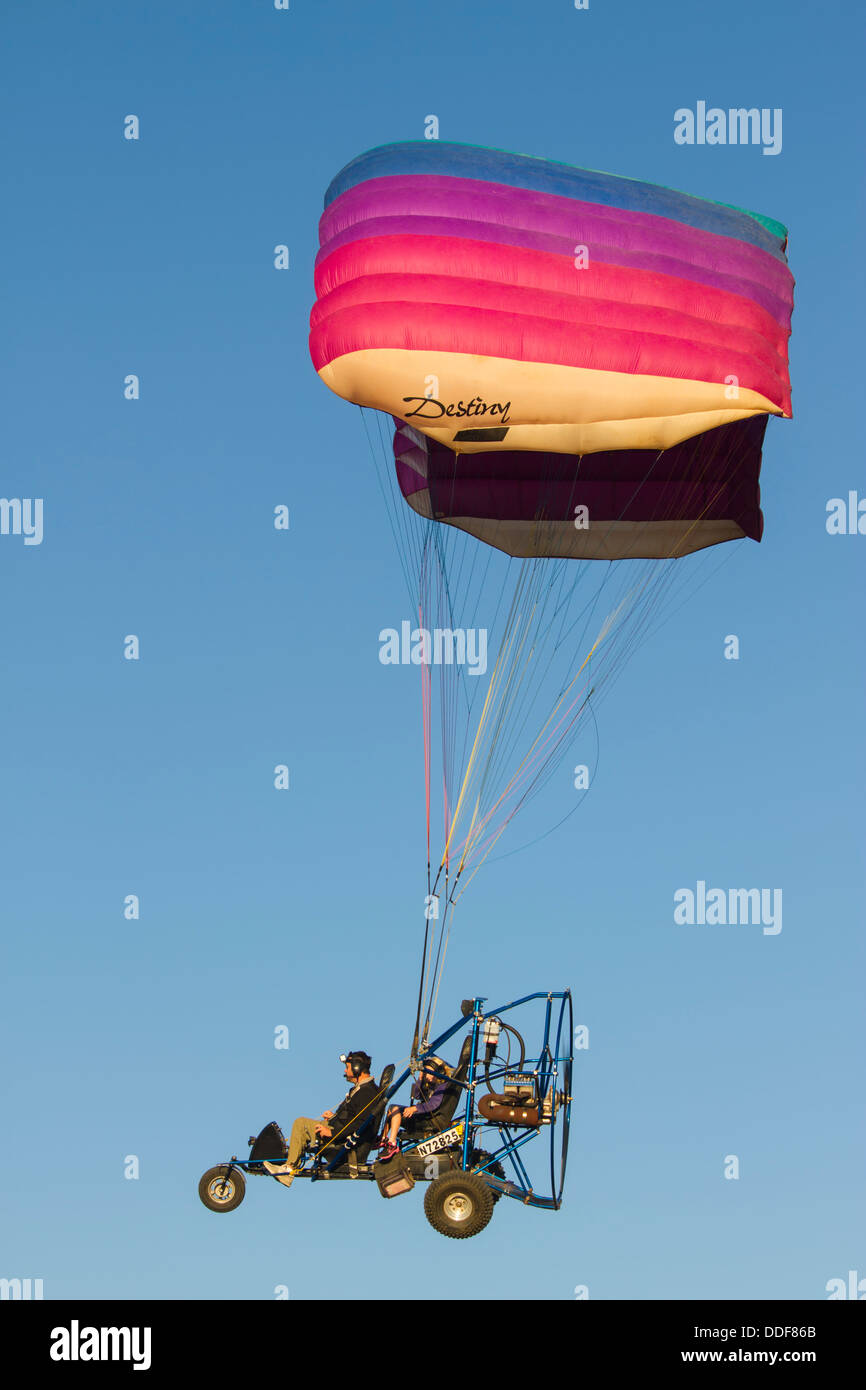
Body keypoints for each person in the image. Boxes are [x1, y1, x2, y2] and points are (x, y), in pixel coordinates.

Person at [264, 1051, 378, 1188]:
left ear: (357, 1068)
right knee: (302, 1125)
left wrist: (332, 1133)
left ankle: (288, 1170)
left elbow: (360, 1124)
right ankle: (291, 1162)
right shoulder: (362, 1089)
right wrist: (334, 1117)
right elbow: (353, 1117)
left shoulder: (367, 1092)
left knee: (301, 1124)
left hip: (342, 1140)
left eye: (347, 1067)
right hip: (338, 1129)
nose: (345, 1071)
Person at [378, 1055, 453, 1160]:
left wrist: (414, 1108)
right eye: (426, 1072)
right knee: (392, 1108)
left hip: (430, 1120)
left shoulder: (442, 1087)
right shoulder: (429, 1085)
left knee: (395, 1110)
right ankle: (383, 1138)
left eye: (429, 1072)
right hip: (423, 1115)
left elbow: (433, 1105)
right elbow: (417, 1095)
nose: (427, 1075)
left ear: (438, 1072)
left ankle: (392, 1144)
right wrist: (420, 1078)